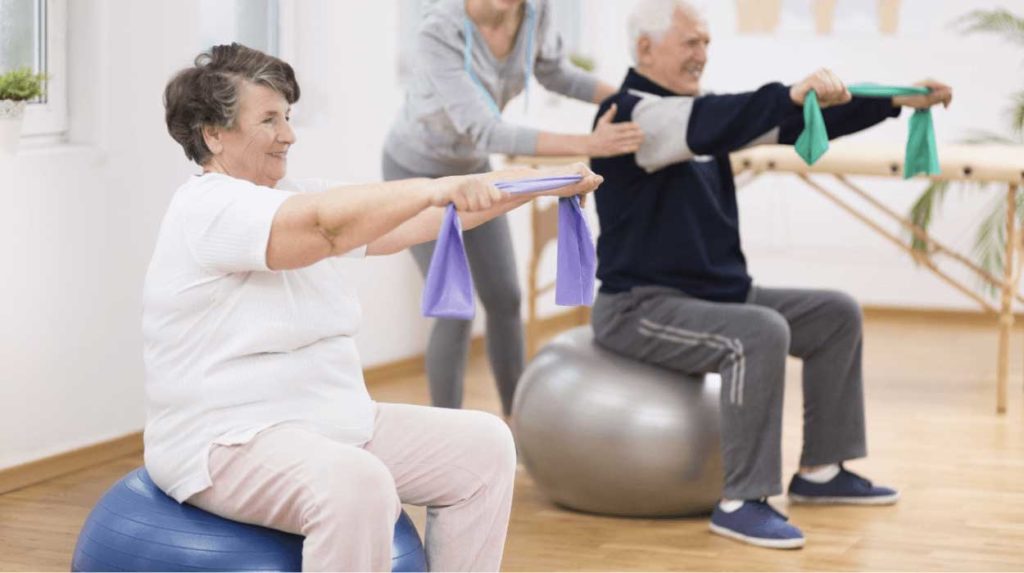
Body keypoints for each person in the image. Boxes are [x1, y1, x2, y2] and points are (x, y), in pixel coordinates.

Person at [145, 43, 601, 571]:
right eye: (269, 119)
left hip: (328, 422)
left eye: (288, 117)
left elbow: (420, 219)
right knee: (357, 484)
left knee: (485, 446)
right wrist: (437, 188)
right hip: (226, 439)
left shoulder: (293, 196)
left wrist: (544, 182)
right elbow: (326, 226)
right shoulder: (209, 208)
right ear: (213, 133)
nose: (289, 134)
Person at [588, 0, 952, 550]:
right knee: (759, 332)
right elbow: (730, 117)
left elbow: (787, 122)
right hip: (640, 306)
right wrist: (786, 92)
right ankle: (741, 500)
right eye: (691, 43)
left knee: (834, 314)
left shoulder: (698, 117)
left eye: (707, 43)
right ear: (645, 49)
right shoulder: (631, 115)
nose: (702, 55)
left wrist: (894, 100)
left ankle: (823, 472)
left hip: (717, 295)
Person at [382, 0, 644, 417]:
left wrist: (633, 99)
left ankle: (518, 425)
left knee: (505, 297)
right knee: (455, 308)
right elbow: (487, 130)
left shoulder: (534, 13)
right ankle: (447, 434)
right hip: (416, 174)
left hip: (472, 169)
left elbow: (555, 72)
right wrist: (590, 144)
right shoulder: (439, 31)